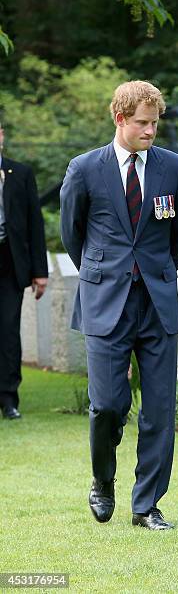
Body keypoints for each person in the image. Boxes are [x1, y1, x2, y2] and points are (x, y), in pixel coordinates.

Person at [60, 80, 178, 531]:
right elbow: (72, 234)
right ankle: (103, 479)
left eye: (155, 123)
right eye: (141, 122)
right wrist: (106, 272)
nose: (150, 131)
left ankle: (146, 506)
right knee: (108, 405)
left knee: (158, 409)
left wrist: (155, 273)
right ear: (119, 119)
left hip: (156, 302)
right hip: (105, 302)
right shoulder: (84, 169)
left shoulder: (173, 169)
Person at [0, 122, 48, 420]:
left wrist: (39, 271)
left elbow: (35, 224)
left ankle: (7, 398)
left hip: (9, 261)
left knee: (7, 330)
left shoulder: (21, 174)